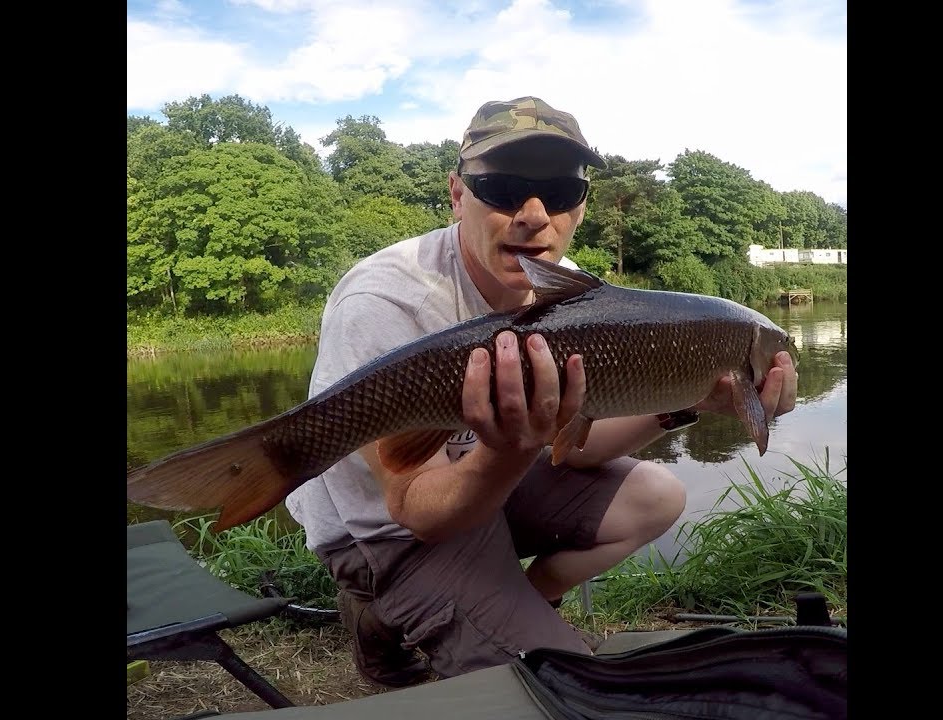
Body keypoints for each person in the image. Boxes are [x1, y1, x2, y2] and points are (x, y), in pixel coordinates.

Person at [284, 96, 798, 687]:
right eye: (503, 189)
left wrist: (688, 401)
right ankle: (381, 606)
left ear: (581, 206)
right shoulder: (386, 300)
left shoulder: (566, 293)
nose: (534, 215)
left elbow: (575, 448)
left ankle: (523, 605)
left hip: (484, 487)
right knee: (562, 686)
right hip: (387, 531)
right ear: (457, 195)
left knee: (656, 494)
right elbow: (416, 510)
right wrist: (509, 450)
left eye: (559, 193)